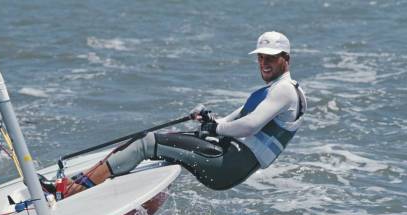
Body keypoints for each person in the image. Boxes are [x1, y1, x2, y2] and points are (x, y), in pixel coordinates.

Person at [54, 31, 307, 198]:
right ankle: (81, 181)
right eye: (261, 57)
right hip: (228, 157)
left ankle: (72, 191)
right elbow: (229, 122)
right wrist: (209, 120)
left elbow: (249, 126)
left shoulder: (283, 91)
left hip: (228, 165)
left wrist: (214, 129)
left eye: (271, 58)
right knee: (148, 141)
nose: (264, 63)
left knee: (146, 143)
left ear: (286, 58)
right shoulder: (271, 91)